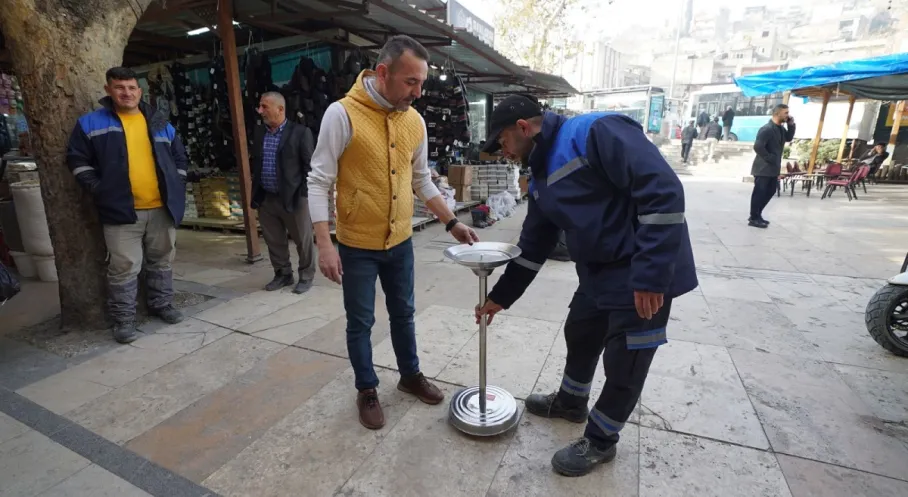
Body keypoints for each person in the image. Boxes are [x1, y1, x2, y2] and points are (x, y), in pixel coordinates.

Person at [475, 95, 697, 477]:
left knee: (626, 360)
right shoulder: (541, 175)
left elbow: (663, 190)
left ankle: (601, 440)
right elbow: (534, 245)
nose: (503, 152)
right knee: (580, 330)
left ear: (523, 128)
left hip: (641, 267)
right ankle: (571, 402)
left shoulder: (595, 131)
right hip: (598, 271)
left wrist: (650, 277)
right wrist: (500, 297)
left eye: (503, 142)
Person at [307, 35, 479, 430]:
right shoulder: (342, 114)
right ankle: (367, 388)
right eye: (411, 82)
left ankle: (410, 375)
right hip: (357, 245)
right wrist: (324, 243)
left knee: (404, 313)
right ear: (383, 72)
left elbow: (422, 180)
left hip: (400, 241)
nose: (418, 93)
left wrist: (451, 222)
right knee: (361, 321)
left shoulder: (413, 120)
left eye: (421, 83)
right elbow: (318, 182)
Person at [66, 67, 188, 344]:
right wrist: (98, 188)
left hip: (162, 208)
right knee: (124, 267)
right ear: (108, 90)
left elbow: (179, 156)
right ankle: (124, 320)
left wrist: (177, 184)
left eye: (132, 88)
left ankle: (162, 305)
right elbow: (76, 159)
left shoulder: (158, 121)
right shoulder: (91, 123)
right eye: (120, 87)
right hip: (120, 210)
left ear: (140, 91)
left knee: (162, 260)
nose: (127, 93)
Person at [250, 92, 317, 294]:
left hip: (294, 197)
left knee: (303, 239)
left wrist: (303, 194)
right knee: (274, 240)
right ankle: (283, 274)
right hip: (267, 197)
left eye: (264, 107)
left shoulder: (300, 133)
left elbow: (309, 167)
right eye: (260, 106)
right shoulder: (259, 133)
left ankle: (306, 275)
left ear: (280, 109)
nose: (260, 111)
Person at [750, 104, 796, 228]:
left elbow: (788, 138)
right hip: (763, 167)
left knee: (771, 190)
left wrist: (791, 125)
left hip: (773, 168)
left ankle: (757, 215)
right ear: (777, 113)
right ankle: (754, 218)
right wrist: (770, 157)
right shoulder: (767, 129)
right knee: (759, 193)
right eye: (785, 113)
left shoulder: (780, 129)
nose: (788, 115)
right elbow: (758, 146)